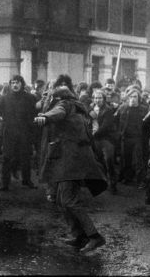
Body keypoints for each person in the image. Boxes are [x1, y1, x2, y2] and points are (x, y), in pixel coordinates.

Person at [35, 74, 108, 253]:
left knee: (68, 200)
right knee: (62, 200)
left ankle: (94, 237)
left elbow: (57, 112)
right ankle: (79, 236)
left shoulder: (65, 104)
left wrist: (45, 116)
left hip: (72, 162)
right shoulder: (78, 108)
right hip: (72, 160)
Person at [0, 75, 37, 190]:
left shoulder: (30, 98)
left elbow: (34, 113)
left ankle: (27, 180)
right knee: (7, 158)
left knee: (25, 157)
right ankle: (5, 183)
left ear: (22, 84)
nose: (15, 85)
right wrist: (1, 117)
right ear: (10, 84)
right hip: (9, 132)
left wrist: (31, 130)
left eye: (17, 82)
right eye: (13, 83)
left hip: (25, 132)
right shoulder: (4, 98)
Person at [114, 87, 149, 186]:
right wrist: (119, 133)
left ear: (139, 98)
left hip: (138, 137)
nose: (132, 99)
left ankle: (140, 180)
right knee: (126, 158)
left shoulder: (144, 109)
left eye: (135, 97)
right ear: (127, 98)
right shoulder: (122, 108)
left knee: (138, 160)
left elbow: (148, 125)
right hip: (125, 137)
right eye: (130, 97)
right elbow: (115, 120)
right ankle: (127, 177)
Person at [89, 89, 118, 194]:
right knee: (99, 161)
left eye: (100, 98)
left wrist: (93, 134)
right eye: (96, 98)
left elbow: (106, 126)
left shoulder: (108, 110)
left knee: (109, 160)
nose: (98, 100)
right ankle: (103, 182)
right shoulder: (91, 108)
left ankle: (113, 184)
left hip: (106, 139)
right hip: (95, 139)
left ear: (104, 99)